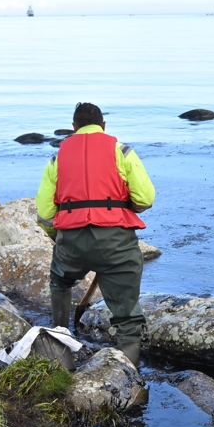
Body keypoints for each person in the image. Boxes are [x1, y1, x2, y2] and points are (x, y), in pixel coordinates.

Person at [37, 103, 156, 366]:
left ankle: (60, 352)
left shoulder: (58, 158)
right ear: (103, 126)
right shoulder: (121, 151)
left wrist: (59, 237)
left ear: (74, 128)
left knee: (60, 282)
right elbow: (145, 198)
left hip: (72, 242)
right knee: (127, 314)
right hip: (117, 242)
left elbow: (45, 213)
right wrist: (123, 205)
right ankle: (127, 375)